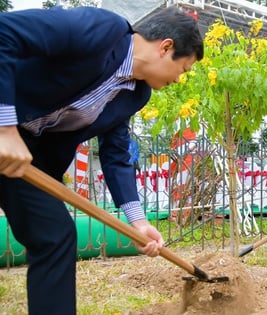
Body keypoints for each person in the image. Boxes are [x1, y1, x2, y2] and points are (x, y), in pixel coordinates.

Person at [0, 6, 203, 315]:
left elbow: (116, 152)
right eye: (184, 69)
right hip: (7, 125)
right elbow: (4, 33)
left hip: (25, 158)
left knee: (55, 236)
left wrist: (138, 222)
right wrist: (4, 126)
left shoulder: (136, 94)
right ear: (166, 47)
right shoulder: (98, 30)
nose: (180, 79)